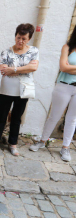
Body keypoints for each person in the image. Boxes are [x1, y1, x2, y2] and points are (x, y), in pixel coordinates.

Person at [0, 23, 39, 156]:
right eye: (18, 37)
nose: (20, 41)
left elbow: (33, 68)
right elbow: (3, 69)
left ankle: (13, 144)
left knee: (17, 118)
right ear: (15, 36)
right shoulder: (6, 51)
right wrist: (24, 69)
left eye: (24, 39)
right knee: (2, 116)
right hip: (6, 90)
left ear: (29, 39)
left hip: (23, 91)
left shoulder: (34, 51)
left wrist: (14, 69)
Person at [29, 26, 76, 162]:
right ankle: (42, 141)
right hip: (63, 86)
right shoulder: (67, 47)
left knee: (72, 119)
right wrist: (67, 69)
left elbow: (68, 68)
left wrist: (70, 68)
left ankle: (65, 148)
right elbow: (63, 67)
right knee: (54, 116)